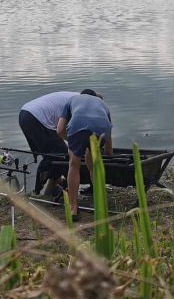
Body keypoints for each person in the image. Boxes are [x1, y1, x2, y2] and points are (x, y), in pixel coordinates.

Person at [56, 90, 113, 221]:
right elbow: (108, 134)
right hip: (101, 127)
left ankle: (73, 208)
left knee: (74, 165)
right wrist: (109, 152)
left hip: (78, 125)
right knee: (94, 165)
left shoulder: (72, 99)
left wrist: (72, 142)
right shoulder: (103, 104)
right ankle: (100, 205)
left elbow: (59, 130)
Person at [19, 91, 76, 196]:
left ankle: (53, 186)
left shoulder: (76, 97)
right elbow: (63, 130)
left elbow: (63, 128)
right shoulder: (81, 102)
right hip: (36, 118)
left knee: (53, 155)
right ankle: (38, 190)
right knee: (61, 155)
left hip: (25, 114)